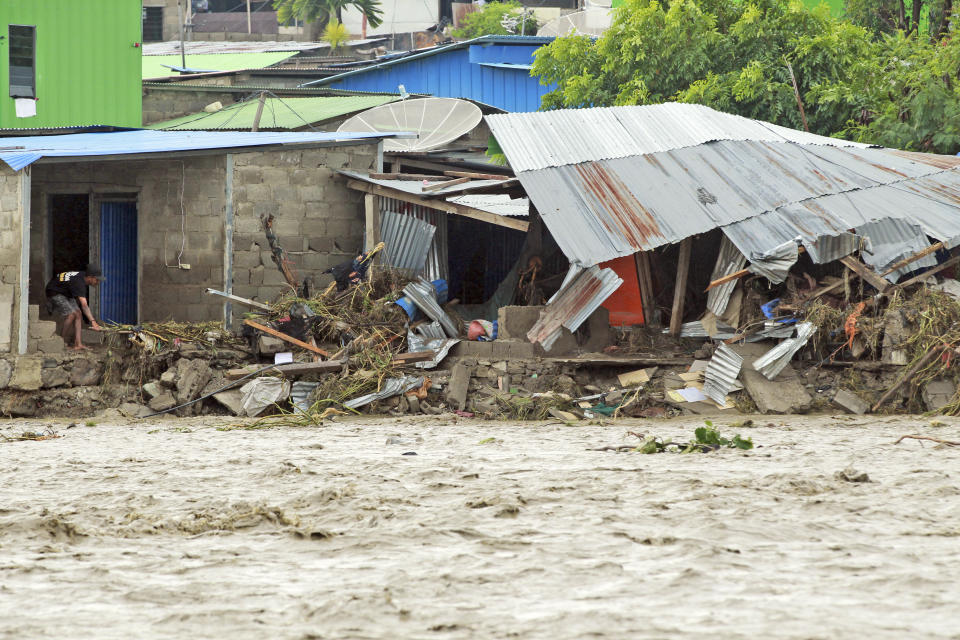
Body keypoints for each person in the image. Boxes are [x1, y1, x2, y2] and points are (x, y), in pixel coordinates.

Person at [45, 264, 104, 351]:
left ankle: (78, 344)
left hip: (66, 292)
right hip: (54, 291)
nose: (98, 282)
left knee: (78, 313)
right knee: (71, 314)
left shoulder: (83, 276)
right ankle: (60, 342)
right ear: (90, 277)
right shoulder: (79, 283)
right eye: (97, 280)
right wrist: (93, 322)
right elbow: (84, 305)